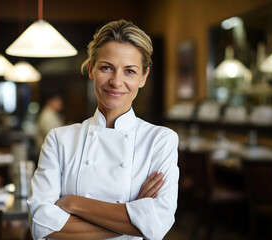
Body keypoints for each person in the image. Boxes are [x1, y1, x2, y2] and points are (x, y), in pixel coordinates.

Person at [27, 19, 179, 240]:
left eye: (130, 71)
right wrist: (134, 218)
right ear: (91, 69)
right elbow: (41, 225)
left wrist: (73, 203)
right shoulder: (59, 139)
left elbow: (157, 223)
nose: (116, 82)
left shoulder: (160, 140)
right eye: (106, 68)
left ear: (143, 77)